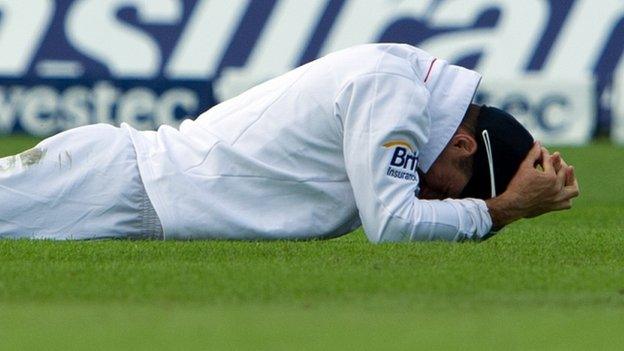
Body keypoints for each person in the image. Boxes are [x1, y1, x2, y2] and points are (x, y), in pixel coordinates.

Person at [0, 43, 579, 242]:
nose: (440, 196)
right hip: (116, 186)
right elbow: (395, 225)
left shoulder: (400, 86)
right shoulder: (391, 91)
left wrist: (498, 203)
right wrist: (501, 210)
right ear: (461, 147)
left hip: (129, 192)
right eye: (458, 190)